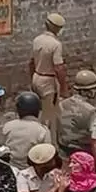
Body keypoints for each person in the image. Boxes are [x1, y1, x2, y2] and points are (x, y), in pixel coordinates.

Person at [30, 12, 68, 140]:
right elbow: (58, 67)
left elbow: (31, 62)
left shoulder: (37, 40)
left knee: (41, 110)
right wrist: (63, 87)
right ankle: (47, 142)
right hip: (48, 80)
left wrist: (32, 79)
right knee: (48, 116)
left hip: (37, 76)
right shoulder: (55, 44)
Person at [58, 70, 96, 157]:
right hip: (84, 153)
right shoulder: (90, 111)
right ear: (88, 91)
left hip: (63, 151)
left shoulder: (61, 104)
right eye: (95, 89)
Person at [3, 92, 52, 171]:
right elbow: (47, 156)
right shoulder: (42, 130)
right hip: (33, 174)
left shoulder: (8, 126)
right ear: (38, 111)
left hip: (10, 171)